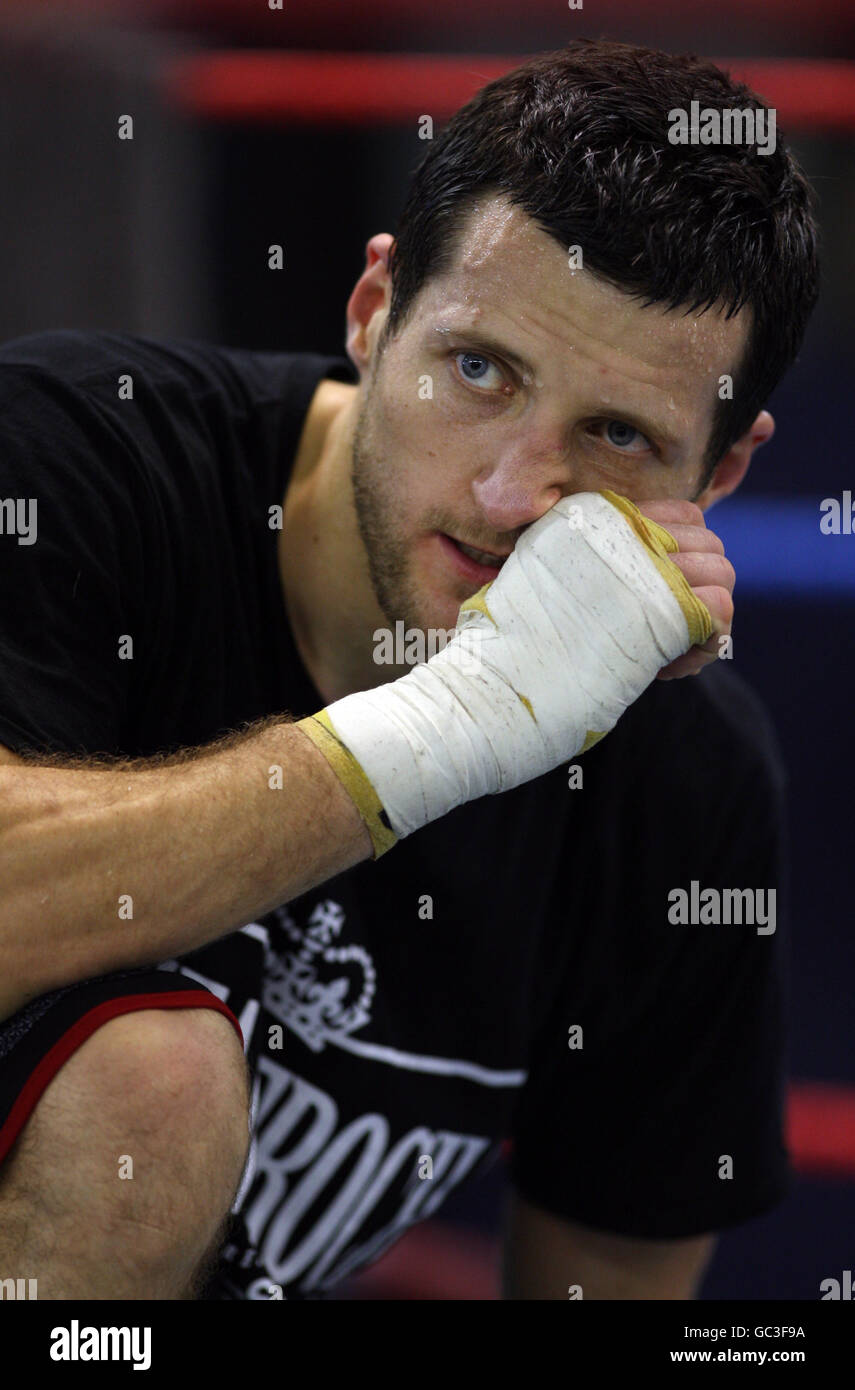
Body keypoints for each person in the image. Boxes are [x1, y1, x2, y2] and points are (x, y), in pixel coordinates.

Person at [0, 39, 818, 1300]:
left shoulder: (683, 785)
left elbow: (611, 1283)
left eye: (615, 435)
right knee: (146, 1082)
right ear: (373, 312)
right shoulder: (67, 460)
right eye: (477, 369)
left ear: (716, 479)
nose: (507, 494)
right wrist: (450, 724)